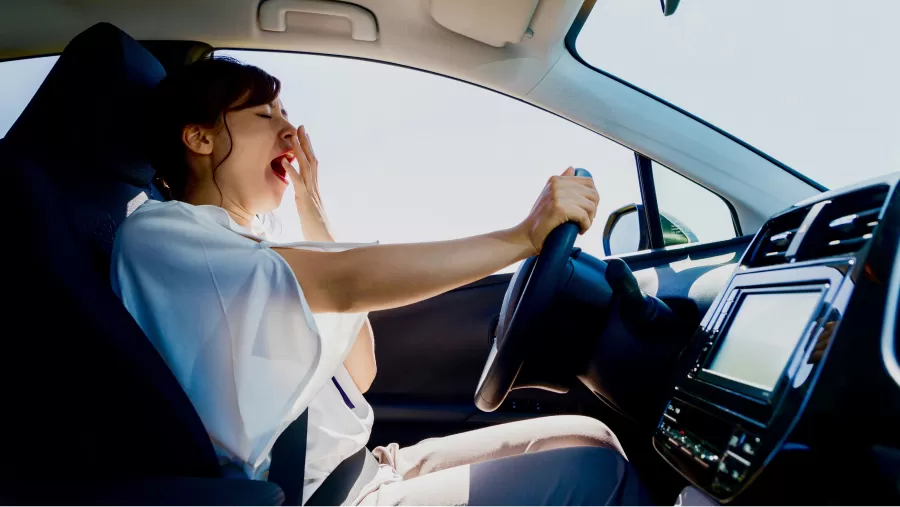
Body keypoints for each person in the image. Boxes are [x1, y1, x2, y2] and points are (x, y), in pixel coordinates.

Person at [111, 57, 628, 505]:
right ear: (200, 138)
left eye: (287, 115)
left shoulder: (253, 242)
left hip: (366, 467)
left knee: (591, 439)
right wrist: (522, 237)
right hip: (318, 495)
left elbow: (361, 369)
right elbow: (343, 283)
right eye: (264, 115)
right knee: (597, 476)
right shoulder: (162, 234)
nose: (290, 132)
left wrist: (312, 210)